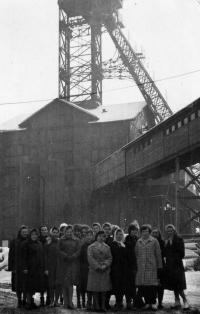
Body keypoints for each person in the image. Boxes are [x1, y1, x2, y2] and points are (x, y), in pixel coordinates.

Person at [135, 224, 162, 311]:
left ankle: (153, 303)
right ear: (141, 232)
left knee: (152, 286)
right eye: (143, 231)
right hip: (141, 268)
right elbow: (136, 254)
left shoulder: (154, 241)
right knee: (145, 287)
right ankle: (147, 303)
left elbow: (158, 255)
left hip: (152, 267)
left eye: (146, 231)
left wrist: (159, 267)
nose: (145, 233)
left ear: (149, 232)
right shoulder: (138, 242)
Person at [164, 224, 189, 310]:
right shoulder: (167, 241)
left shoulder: (179, 239)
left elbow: (182, 254)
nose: (170, 232)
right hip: (169, 266)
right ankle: (177, 301)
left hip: (177, 266)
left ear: (174, 231)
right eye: (168, 231)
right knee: (174, 284)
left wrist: (171, 256)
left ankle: (185, 301)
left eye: (171, 231)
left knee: (178, 285)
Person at [56, 225, 81, 309]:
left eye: (71, 232)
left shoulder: (77, 240)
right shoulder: (61, 240)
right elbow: (58, 250)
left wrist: (73, 256)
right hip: (63, 263)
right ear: (65, 232)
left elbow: (79, 250)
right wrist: (65, 256)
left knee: (70, 283)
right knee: (63, 283)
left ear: (72, 232)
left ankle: (70, 302)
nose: (69, 233)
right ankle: (65, 302)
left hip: (72, 263)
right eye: (67, 232)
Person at [87, 230, 112, 312]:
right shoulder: (91, 247)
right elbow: (90, 258)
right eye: (100, 236)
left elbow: (110, 258)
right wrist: (98, 267)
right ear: (96, 237)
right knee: (95, 289)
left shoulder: (107, 247)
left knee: (104, 289)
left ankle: (103, 306)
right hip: (95, 270)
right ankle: (96, 306)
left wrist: (105, 265)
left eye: (103, 236)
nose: (101, 238)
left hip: (104, 270)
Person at [20, 228, 45, 310]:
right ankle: (28, 303)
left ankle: (32, 302)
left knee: (34, 286)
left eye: (35, 234)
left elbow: (42, 256)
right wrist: (24, 267)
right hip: (29, 269)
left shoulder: (39, 244)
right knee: (28, 287)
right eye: (32, 234)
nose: (34, 236)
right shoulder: (25, 244)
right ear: (30, 235)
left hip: (37, 269)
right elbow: (22, 257)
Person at [8, 225, 28, 308]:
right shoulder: (15, 241)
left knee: (25, 284)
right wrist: (12, 267)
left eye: (26, 232)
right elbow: (11, 255)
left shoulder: (29, 241)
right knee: (17, 285)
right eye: (23, 232)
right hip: (16, 266)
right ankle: (19, 301)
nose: (24, 233)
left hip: (26, 266)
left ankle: (24, 300)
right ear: (20, 232)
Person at [124, 221, 141, 309]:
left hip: (137, 265)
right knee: (129, 285)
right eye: (133, 230)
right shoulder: (126, 239)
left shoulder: (138, 239)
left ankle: (136, 301)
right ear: (130, 231)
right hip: (128, 266)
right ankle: (128, 302)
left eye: (136, 230)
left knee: (136, 284)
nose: (134, 232)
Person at [44, 227, 60, 307]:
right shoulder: (47, 243)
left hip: (59, 266)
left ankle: (57, 301)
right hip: (50, 266)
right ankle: (51, 301)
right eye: (54, 232)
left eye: (57, 232)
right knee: (50, 285)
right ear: (51, 233)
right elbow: (45, 257)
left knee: (57, 284)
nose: (55, 234)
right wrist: (46, 268)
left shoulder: (60, 242)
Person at [151, 227, 165, 309]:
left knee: (160, 285)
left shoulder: (162, 242)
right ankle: (153, 301)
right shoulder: (150, 242)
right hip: (152, 265)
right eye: (153, 233)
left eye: (156, 233)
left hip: (160, 265)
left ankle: (160, 301)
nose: (155, 234)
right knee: (153, 285)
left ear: (159, 234)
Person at [80, 229, 94, 310]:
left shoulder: (95, 244)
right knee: (85, 285)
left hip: (93, 268)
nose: (89, 237)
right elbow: (81, 259)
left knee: (92, 285)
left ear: (93, 236)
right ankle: (84, 302)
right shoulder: (83, 246)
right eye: (87, 236)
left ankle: (91, 301)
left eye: (90, 235)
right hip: (85, 268)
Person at [38, 225, 49, 306]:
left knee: (49, 282)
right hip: (40, 264)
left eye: (45, 230)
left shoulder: (49, 239)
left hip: (49, 263)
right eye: (42, 230)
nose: (44, 231)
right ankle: (42, 298)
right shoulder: (38, 239)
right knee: (41, 283)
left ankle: (49, 298)